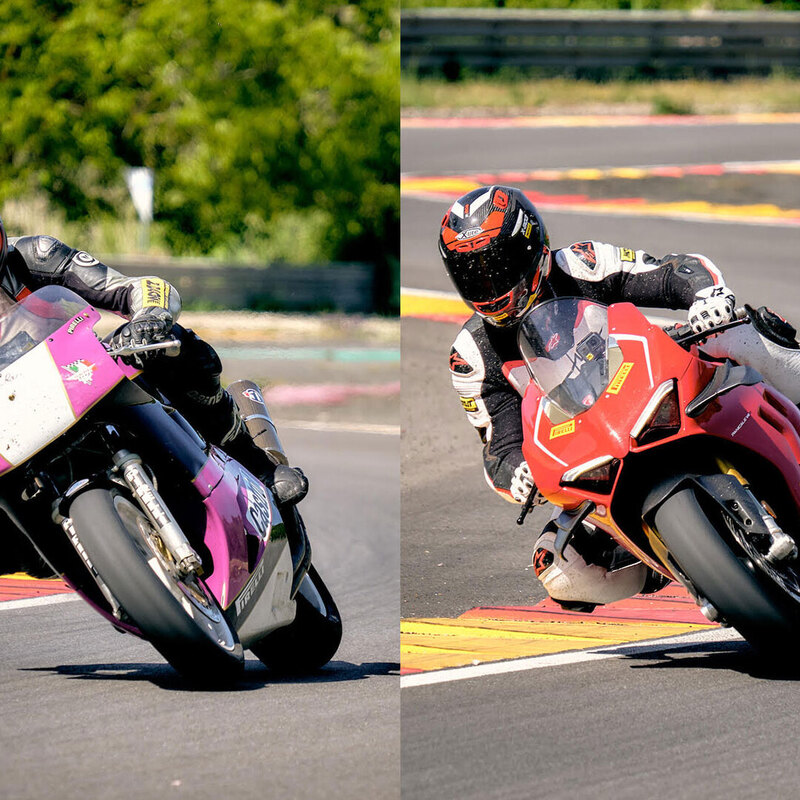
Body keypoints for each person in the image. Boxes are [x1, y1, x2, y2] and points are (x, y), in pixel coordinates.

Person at [439, 184, 800, 611]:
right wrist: (517, 472)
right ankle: (676, 554)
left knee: (739, 332)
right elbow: (498, 445)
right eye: (473, 276)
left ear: (531, 248)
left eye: (498, 268)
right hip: (593, 450)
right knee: (556, 566)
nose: (489, 286)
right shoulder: (470, 356)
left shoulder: (582, 263)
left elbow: (673, 271)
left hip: (662, 380)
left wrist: (705, 297)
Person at [0, 219, 308, 507]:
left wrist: (149, 318)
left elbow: (141, 287)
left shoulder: (36, 256)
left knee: (170, 344)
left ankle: (253, 462)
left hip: (78, 376)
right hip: (11, 429)